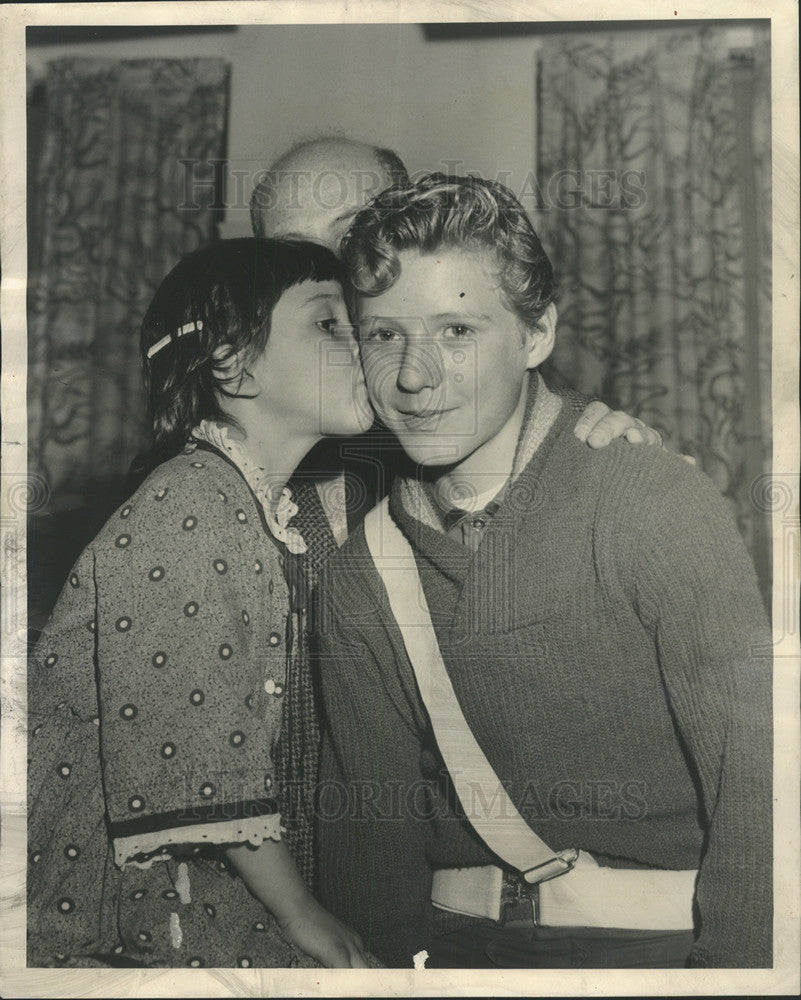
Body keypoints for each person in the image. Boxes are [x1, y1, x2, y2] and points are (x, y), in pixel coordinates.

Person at [313, 174, 773, 969]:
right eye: (384, 335)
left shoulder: (649, 502)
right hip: (451, 950)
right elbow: (369, 847)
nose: (416, 376)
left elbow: (760, 783)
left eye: (457, 331)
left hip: (659, 946)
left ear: (536, 336)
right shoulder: (363, 573)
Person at [27, 238, 373, 969]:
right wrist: (301, 911)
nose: (362, 343)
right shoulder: (188, 506)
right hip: (113, 913)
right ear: (231, 364)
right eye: (326, 323)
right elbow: (198, 759)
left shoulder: (239, 504)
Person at [248, 135, 666, 563]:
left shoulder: (541, 425)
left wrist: (625, 460)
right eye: (297, 253)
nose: (335, 274)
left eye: (355, 233)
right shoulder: (245, 455)